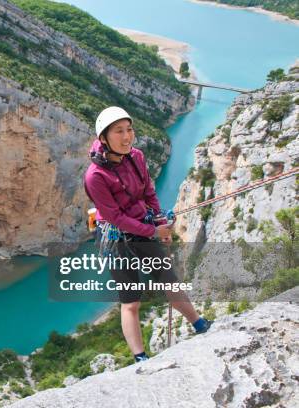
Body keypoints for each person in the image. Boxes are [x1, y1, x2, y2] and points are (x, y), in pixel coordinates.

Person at [83, 106, 212, 363]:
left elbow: (149, 193)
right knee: (131, 301)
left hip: (143, 229)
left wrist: (161, 223)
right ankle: (140, 358)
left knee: (170, 283)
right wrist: (153, 229)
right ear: (103, 138)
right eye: (118, 131)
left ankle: (200, 325)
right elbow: (115, 217)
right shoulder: (95, 176)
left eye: (129, 129)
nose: (127, 136)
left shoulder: (136, 157)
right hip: (117, 239)